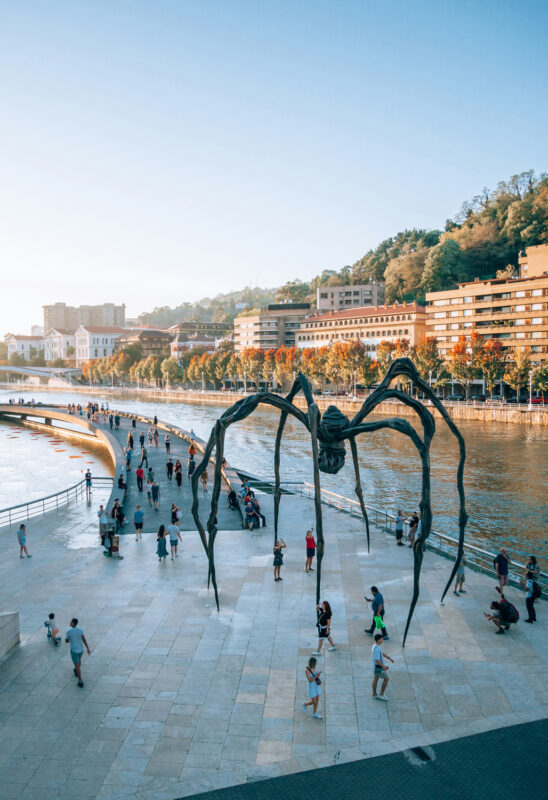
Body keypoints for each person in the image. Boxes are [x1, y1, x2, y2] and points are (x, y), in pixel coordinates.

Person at [65, 618, 90, 688]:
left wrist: (67, 639)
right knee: (78, 661)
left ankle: (80, 680)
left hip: (74, 650)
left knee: (76, 664)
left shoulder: (69, 632)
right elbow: (84, 639)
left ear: (73, 623)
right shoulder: (80, 630)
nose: (70, 623)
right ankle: (77, 670)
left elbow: (67, 641)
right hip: (81, 650)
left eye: (70, 622)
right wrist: (87, 648)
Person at [371, 633, 394, 701]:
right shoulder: (377, 648)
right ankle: (381, 694)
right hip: (378, 667)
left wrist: (389, 658)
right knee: (386, 679)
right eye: (382, 638)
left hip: (374, 666)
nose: (383, 639)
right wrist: (383, 666)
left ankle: (374, 694)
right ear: (378, 640)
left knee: (375, 679)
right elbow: (377, 660)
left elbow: (381, 653)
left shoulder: (375, 645)